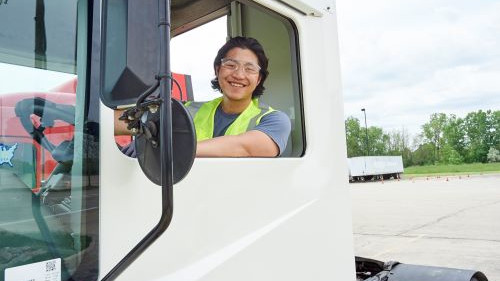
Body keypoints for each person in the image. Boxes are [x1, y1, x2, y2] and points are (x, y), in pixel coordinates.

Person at [115, 36, 291, 157]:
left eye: (249, 69)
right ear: (217, 70)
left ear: (259, 78)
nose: (239, 74)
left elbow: (243, 147)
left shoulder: (275, 120)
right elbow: (129, 121)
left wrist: (170, 151)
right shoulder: (187, 109)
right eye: (231, 65)